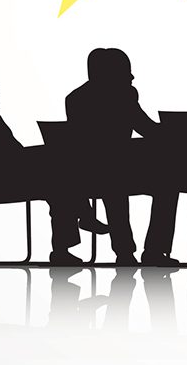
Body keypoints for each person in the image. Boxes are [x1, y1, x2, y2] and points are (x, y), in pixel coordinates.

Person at [0, 64, 107, 266]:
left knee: (61, 183)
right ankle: (77, 227)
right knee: (61, 179)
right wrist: (47, 153)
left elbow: (11, 155)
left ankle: (69, 240)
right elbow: (11, 155)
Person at [65, 48, 178, 266]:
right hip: (103, 170)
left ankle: (126, 253)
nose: (132, 77)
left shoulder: (75, 98)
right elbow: (145, 128)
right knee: (146, 185)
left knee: (129, 183)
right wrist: (173, 133)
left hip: (99, 169)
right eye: (126, 71)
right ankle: (152, 251)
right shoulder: (123, 94)